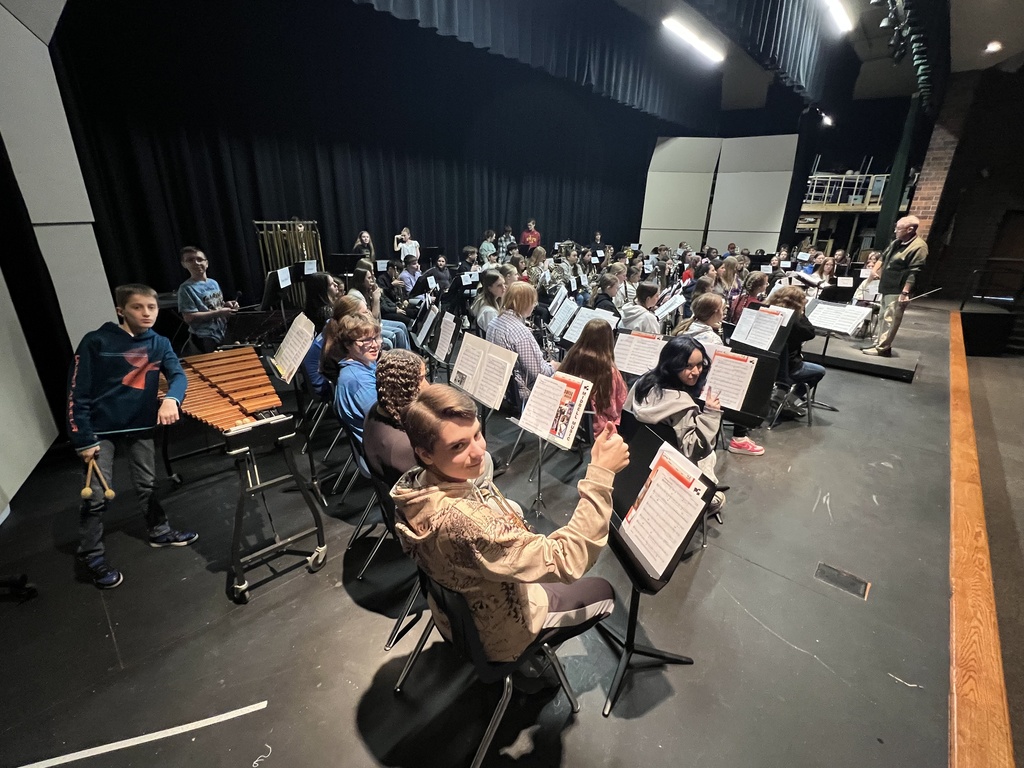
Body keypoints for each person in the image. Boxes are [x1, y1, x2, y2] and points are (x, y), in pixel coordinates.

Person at [391, 384, 628, 662]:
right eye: (458, 446)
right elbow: (567, 560)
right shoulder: (471, 526)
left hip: (454, 621)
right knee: (604, 591)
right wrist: (601, 473)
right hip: (502, 635)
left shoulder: (410, 488)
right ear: (426, 454)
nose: (479, 452)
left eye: (477, 434)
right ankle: (533, 663)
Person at [67, 284, 198, 589]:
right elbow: (77, 393)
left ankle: (159, 530)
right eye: (138, 307)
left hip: (140, 424)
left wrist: (171, 399)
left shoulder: (160, 342)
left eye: (151, 307)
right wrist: (83, 438)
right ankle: (91, 553)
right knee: (96, 496)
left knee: (148, 483)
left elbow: (178, 375)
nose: (147, 313)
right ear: (120, 310)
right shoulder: (96, 341)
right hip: (101, 430)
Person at [623, 336, 725, 511]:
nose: (696, 371)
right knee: (711, 458)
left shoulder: (643, 382)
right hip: (669, 471)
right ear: (672, 365)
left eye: (699, 365)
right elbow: (694, 450)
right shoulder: (681, 404)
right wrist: (711, 414)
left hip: (636, 460)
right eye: (688, 366)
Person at [675, 294, 765, 456]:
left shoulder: (685, 326)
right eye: (723, 310)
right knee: (743, 388)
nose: (724, 313)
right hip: (699, 389)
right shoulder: (712, 339)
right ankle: (739, 437)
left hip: (682, 385)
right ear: (715, 312)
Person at [864, 216, 929, 357]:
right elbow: (882, 258)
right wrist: (875, 270)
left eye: (898, 229)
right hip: (886, 286)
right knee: (882, 316)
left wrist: (905, 293)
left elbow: (914, 272)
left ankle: (883, 347)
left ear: (910, 229)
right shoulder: (896, 242)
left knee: (891, 319)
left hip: (898, 289)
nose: (895, 231)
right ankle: (879, 342)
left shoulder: (919, 247)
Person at [363, 349, 428, 487]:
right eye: (421, 379)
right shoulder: (403, 445)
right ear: (405, 386)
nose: (427, 385)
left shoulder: (377, 408)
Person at [487, 282, 557, 405]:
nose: (534, 306)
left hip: (501, 386)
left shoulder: (495, 321)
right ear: (523, 303)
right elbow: (540, 373)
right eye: (533, 302)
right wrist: (555, 366)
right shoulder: (520, 332)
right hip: (521, 391)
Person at [557, 319, 627, 435]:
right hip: (598, 428)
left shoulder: (571, 358)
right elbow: (614, 409)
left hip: (568, 421)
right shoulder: (609, 371)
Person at [766, 286, 826, 402]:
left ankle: (780, 391)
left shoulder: (768, 312)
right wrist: (802, 313)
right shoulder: (794, 322)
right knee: (820, 371)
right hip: (789, 369)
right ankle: (789, 400)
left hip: (767, 367)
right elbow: (810, 333)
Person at [177, 246, 238, 353]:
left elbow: (217, 305)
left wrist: (227, 305)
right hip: (204, 337)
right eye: (190, 260)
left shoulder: (213, 283)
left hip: (223, 331)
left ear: (207, 263)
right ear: (184, 264)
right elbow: (189, 317)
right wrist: (219, 312)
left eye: (200, 259)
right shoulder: (186, 288)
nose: (196, 263)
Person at [333, 313, 381, 442]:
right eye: (366, 340)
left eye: (376, 337)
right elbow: (383, 420)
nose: (375, 345)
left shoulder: (365, 362)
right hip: (377, 445)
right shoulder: (358, 380)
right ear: (348, 345)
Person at [348, 267, 410, 349]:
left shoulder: (366, 291)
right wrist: (376, 299)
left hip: (375, 323)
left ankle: (409, 356)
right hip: (366, 326)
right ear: (361, 281)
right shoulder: (356, 295)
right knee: (393, 335)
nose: (372, 280)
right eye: (369, 278)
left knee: (401, 326)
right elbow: (373, 319)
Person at [470, 269, 506, 334]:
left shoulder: (493, 301)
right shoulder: (489, 312)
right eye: (499, 285)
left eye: (504, 284)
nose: (504, 288)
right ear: (489, 288)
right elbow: (496, 335)